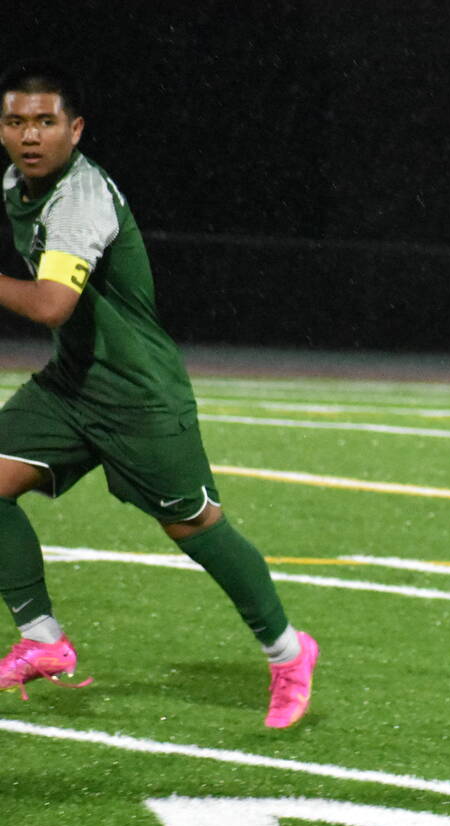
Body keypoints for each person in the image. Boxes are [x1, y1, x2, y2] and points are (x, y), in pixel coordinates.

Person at [0, 62, 318, 726]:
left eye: (46, 122)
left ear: (76, 129)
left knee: (196, 528)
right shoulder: (16, 183)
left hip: (138, 396)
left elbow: (54, 303)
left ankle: (289, 653)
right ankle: (42, 641)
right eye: (16, 121)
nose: (30, 135)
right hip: (71, 385)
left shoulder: (80, 197)